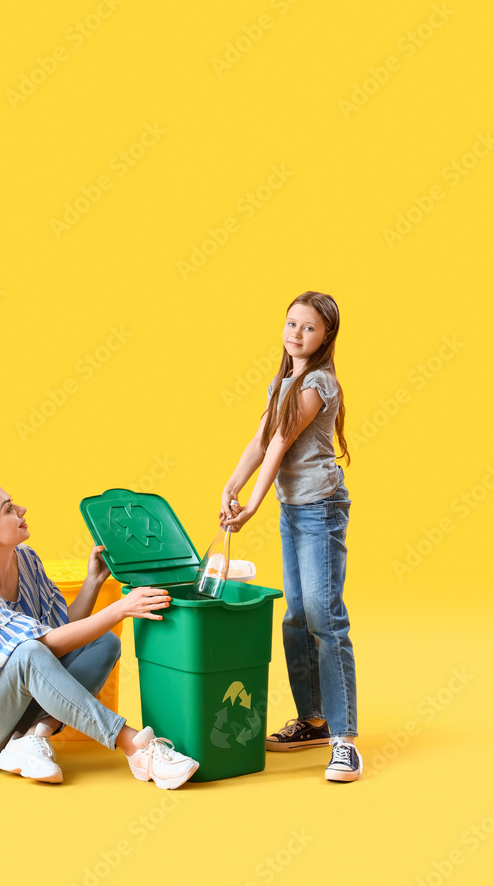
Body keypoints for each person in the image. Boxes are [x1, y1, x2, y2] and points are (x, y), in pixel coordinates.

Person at [0, 478, 199, 789]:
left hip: (12, 719)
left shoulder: (26, 560)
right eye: (8, 509)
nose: (22, 510)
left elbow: (59, 630)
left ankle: (33, 738)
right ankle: (136, 746)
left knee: (103, 642)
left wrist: (93, 581)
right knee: (29, 653)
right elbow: (41, 648)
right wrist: (119, 609)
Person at [219, 291, 362, 782]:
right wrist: (232, 484)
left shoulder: (320, 382)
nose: (297, 334)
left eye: (309, 328)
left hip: (320, 509)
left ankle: (344, 740)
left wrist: (254, 503)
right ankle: (313, 720)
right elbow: (261, 437)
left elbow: (282, 441)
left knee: (325, 616)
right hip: (293, 511)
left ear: (326, 338)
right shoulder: (282, 382)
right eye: (292, 324)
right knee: (297, 616)